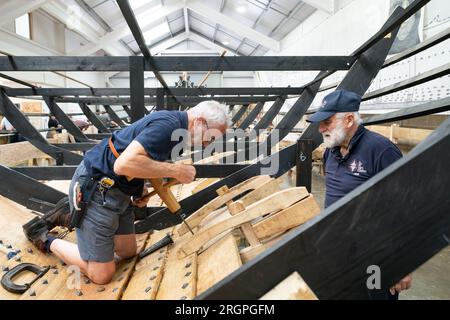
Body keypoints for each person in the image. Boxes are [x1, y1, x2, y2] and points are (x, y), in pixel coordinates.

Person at [24, 101, 230, 284]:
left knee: (127, 253)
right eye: (211, 137)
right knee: (101, 275)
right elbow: (124, 164)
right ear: (200, 122)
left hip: (119, 192)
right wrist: (177, 170)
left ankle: (72, 215)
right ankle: (44, 238)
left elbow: (145, 161)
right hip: (97, 190)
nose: (208, 144)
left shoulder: (177, 130)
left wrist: (139, 189)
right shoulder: (168, 127)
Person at [306, 89, 412, 300]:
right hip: (338, 252)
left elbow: (406, 205)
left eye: (327, 122)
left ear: (348, 119)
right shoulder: (331, 151)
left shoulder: (380, 150)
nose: (321, 129)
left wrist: (403, 263)